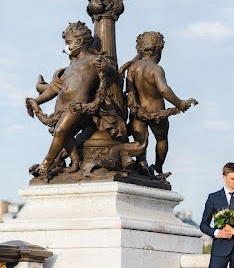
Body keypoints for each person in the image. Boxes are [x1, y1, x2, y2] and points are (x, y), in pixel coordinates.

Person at [25, 21, 126, 177]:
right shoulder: (71, 65)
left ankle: (45, 164)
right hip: (61, 105)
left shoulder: (94, 60)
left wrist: (108, 67)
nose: (66, 47)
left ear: (79, 42)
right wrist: (37, 101)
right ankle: (75, 162)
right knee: (63, 134)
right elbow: (54, 89)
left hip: (77, 106)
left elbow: (114, 75)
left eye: (68, 42)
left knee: (60, 131)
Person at [121, 31, 196, 178]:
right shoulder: (156, 68)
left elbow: (129, 90)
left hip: (137, 111)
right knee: (161, 139)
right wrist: (179, 103)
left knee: (140, 141)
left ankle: (142, 163)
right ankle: (158, 168)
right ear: (159, 50)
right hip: (156, 112)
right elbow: (163, 89)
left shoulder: (133, 67)